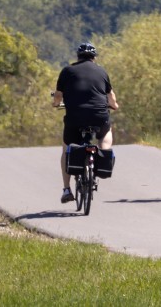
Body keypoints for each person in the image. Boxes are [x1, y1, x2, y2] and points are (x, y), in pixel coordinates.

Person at [53, 42, 118, 204]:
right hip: (99, 115)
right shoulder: (102, 71)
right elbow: (111, 97)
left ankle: (66, 189)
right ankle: (103, 152)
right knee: (106, 132)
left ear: (78, 56)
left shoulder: (67, 71)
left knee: (67, 147)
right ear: (94, 57)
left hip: (75, 117)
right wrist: (114, 106)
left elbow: (58, 96)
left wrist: (55, 104)